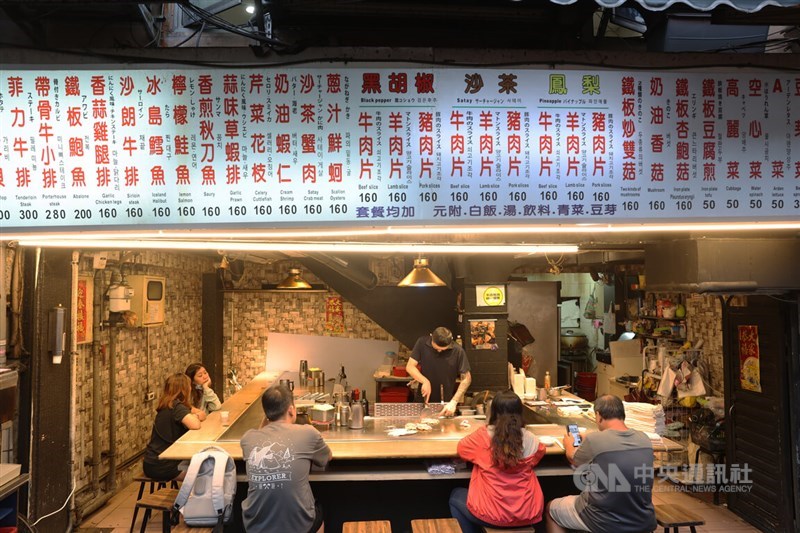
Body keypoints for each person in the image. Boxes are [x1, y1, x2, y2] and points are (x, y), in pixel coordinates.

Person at [546, 395, 657, 533]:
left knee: (551, 509)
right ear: (622, 414)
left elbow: (573, 458)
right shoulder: (644, 439)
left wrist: (569, 444)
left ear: (598, 416)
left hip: (602, 520)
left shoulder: (595, 440)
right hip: (642, 520)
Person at [449, 389, 547, 533]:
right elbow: (539, 453)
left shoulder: (481, 438)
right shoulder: (532, 439)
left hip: (490, 514)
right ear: (520, 413)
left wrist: (488, 424)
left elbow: (462, 449)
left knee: (455, 496)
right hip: (526, 513)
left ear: (493, 412)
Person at [240, 384, 332, 533]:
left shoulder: (248, 438)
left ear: (266, 413)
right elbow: (326, 458)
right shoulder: (309, 433)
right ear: (291, 409)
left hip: (255, 526)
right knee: (320, 510)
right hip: (300, 526)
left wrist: (267, 418)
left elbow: (261, 433)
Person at [143, 373, 202, 481]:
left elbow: (200, 415)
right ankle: (192, 497)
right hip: (163, 465)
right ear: (184, 389)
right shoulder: (176, 407)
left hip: (151, 462)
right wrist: (195, 416)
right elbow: (196, 425)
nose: (190, 388)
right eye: (189, 386)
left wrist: (194, 415)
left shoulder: (167, 404)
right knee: (205, 475)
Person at [406, 326, 472, 416]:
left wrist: (454, 401)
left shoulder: (458, 351)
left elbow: (467, 378)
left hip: (445, 404)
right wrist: (424, 381)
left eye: (443, 349)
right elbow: (410, 366)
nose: (439, 351)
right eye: (436, 348)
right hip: (423, 400)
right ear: (431, 338)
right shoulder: (422, 343)